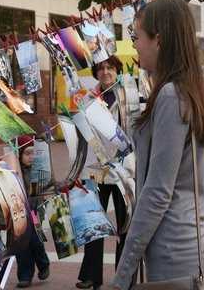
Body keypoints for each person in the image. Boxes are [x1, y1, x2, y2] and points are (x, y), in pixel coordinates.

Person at [107, 0, 204, 290]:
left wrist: (122, 276)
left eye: (137, 37)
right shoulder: (202, 93)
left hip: (177, 260)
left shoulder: (172, 96)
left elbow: (158, 192)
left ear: (158, 40)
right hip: (199, 252)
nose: (134, 45)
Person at [77, 55, 137, 289]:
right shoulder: (87, 98)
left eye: (110, 67)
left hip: (124, 168)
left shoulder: (129, 95)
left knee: (125, 224)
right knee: (94, 223)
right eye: (101, 69)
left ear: (117, 70)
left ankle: (123, 276)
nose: (105, 72)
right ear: (96, 73)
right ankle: (91, 275)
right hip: (96, 168)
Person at [14, 135, 50, 288]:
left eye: (33, 153)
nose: (31, 157)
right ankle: (25, 275)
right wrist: (2, 219)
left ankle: (43, 264)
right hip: (19, 215)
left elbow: (45, 190)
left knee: (36, 242)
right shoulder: (13, 172)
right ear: (19, 155)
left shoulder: (38, 170)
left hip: (35, 213)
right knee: (22, 246)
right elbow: (6, 196)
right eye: (27, 154)